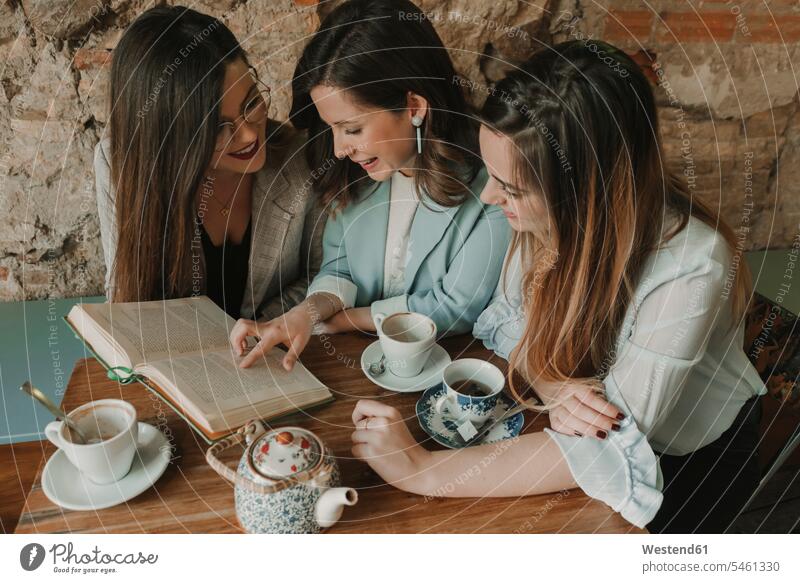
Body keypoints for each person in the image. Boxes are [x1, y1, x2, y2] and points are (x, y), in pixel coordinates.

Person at [344, 40, 766, 533]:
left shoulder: (694, 267)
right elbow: (502, 320)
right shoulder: (544, 219)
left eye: (512, 187)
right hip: (577, 426)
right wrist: (553, 384)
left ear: (586, 191)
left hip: (687, 462)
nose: (487, 195)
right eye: (493, 174)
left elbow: (610, 444)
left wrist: (418, 469)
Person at [230, 0, 510, 370]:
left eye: (352, 129)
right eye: (332, 128)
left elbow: (455, 307)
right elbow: (339, 269)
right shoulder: (356, 177)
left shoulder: (493, 180)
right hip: (361, 370)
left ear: (413, 107)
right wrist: (305, 312)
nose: (340, 149)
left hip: (446, 373)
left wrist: (345, 319)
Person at [95, 5, 323, 320]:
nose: (247, 135)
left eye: (252, 103)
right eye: (217, 127)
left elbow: (321, 275)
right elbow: (126, 295)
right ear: (167, 136)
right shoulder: (118, 163)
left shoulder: (299, 160)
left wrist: (261, 328)